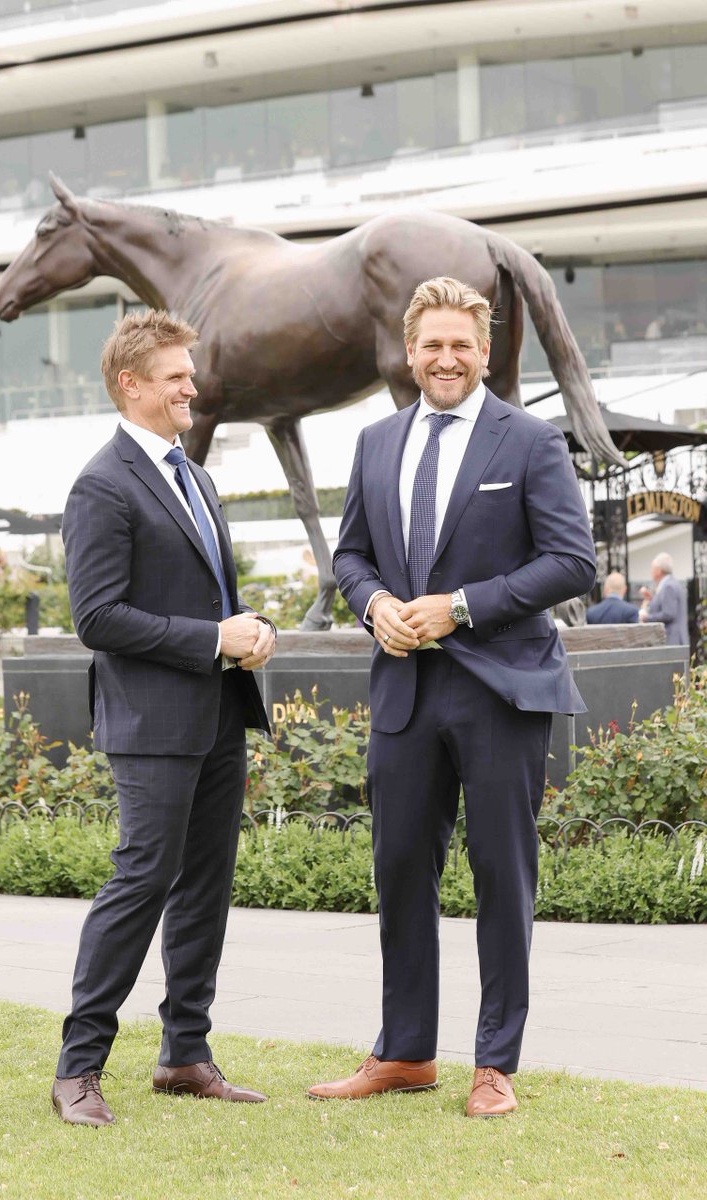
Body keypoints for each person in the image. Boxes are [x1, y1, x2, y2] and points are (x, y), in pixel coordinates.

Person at [308, 277, 595, 1116]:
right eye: (431, 345)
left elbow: (571, 562)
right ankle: (404, 1054)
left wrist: (461, 606)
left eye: (461, 345)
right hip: (403, 690)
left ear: (484, 351)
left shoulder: (531, 441)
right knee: (400, 871)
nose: (446, 359)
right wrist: (374, 604)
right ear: (409, 349)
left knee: (503, 876)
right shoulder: (374, 441)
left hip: (501, 689)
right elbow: (351, 555)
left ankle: (494, 1064)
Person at [52, 309, 277, 1127]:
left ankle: (185, 1055)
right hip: (151, 724)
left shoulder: (195, 474)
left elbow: (207, 596)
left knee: (207, 887)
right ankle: (78, 1069)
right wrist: (211, 637)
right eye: (178, 375)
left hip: (218, 712)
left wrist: (247, 631)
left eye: (191, 372)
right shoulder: (102, 484)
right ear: (132, 384)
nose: (193, 386)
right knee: (141, 880)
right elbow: (97, 618)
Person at [639, 552, 688, 645]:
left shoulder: (668, 586)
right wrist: (651, 599)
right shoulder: (670, 583)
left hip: (672, 640)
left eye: (652, 568)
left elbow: (669, 614)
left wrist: (646, 618)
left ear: (659, 570)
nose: (651, 571)